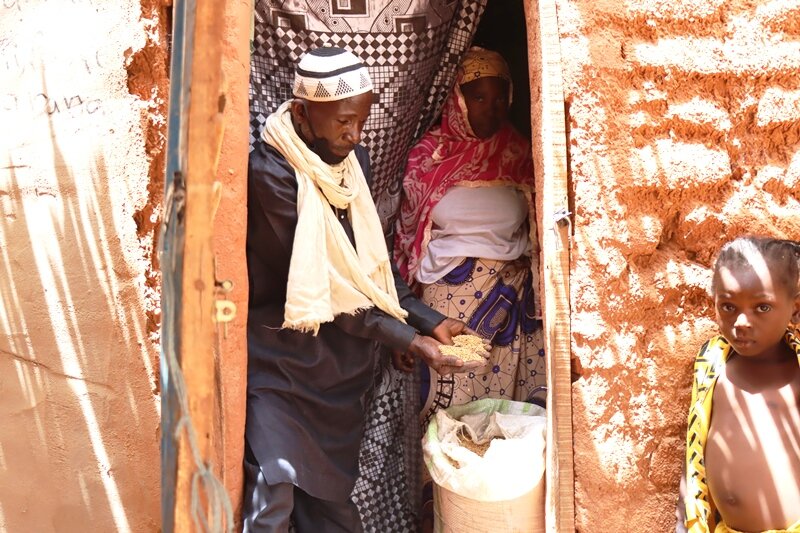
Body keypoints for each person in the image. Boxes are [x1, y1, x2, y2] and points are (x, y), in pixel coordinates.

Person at [243, 46, 486, 532]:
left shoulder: (355, 164)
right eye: (342, 123)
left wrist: (427, 319)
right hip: (279, 362)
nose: (353, 136)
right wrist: (408, 339)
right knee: (273, 499)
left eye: (361, 122)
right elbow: (329, 284)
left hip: (335, 371)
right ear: (302, 113)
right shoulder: (271, 174)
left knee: (329, 511)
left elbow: (366, 265)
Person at [393, 46, 547, 429]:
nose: (490, 108)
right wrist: (406, 325)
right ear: (457, 99)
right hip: (446, 305)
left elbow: (541, 236)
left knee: (506, 416)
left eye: (499, 98)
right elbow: (407, 243)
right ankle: (441, 491)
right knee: (445, 413)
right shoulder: (429, 157)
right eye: (478, 97)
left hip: (511, 304)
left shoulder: (522, 154)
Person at [676, 236, 800, 533]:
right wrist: (683, 521)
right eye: (729, 306)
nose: (742, 321)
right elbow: (695, 450)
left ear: (795, 309)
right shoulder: (712, 365)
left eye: (762, 308)